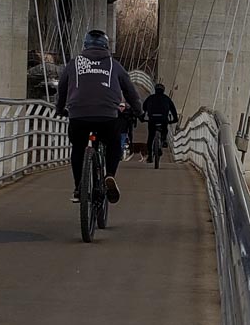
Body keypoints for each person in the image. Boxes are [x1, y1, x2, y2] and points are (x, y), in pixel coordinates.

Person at [55, 30, 142, 203]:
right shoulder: (114, 65)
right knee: (113, 144)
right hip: (107, 116)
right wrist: (139, 111)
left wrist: (59, 109)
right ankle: (109, 175)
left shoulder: (73, 64)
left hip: (78, 115)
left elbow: (62, 89)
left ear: (85, 45)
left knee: (78, 148)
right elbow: (130, 92)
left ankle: (79, 187)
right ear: (106, 47)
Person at [142, 82, 179, 160]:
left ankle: (149, 156)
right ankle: (164, 140)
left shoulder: (150, 98)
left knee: (151, 136)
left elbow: (144, 108)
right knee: (164, 129)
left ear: (155, 90)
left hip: (152, 119)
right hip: (163, 119)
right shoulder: (166, 98)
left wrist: (142, 117)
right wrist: (175, 119)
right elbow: (173, 109)